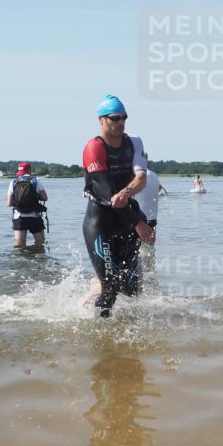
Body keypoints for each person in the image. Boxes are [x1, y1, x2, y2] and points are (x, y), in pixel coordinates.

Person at [81, 95, 154, 317]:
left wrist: (126, 194)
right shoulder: (93, 148)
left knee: (132, 288)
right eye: (115, 118)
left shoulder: (134, 142)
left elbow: (141, 180)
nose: (121, 122)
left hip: (125, 219)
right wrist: (139, 223)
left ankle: (124, 341)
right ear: (101, 120)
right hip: (100, 222)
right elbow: (109, 195)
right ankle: (99, 332)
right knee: (110, 288)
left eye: (124, 117)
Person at [7, 162, 48, 248]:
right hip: (34, 216)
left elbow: (9, 203)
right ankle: (37, 257)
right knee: (40, 243)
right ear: (30, 170)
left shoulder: (13, 183)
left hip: (19, 216)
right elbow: (45, 198)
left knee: (19, 244)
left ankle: (21, 259)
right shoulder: (36, 181)